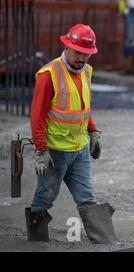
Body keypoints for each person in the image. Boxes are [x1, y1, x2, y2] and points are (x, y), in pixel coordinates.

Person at [27, 24, 116, 244]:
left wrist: (93, 131)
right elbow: (36, 116)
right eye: (77, 52)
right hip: (55, 153)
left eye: (86, 54)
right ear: (66, 47)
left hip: (79, 150)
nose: (82, 58)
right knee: (45, 198)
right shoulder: (48, 75)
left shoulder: (87, 71)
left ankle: (107, 244)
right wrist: (41, 149)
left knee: (87, 198)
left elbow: (82, 107)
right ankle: (37, 241)